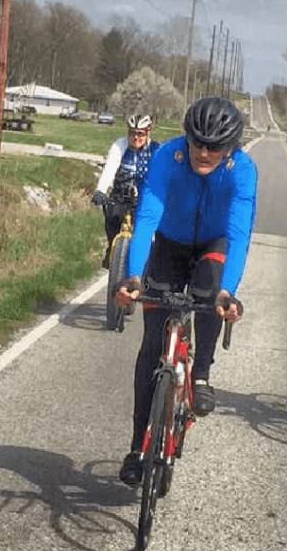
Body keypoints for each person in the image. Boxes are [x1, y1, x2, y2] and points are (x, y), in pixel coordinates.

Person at [114, 97, 257, 487]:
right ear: (187, 137)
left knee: (211, 294)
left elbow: (239, 234)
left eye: (215, 146)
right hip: (169, 244)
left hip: (214, 242)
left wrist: (228, 292)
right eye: (197, 142)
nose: (204, 152)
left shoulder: (242, 170)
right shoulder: (168, 156)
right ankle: (137, 449)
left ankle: (202, 373)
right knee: (151, 347)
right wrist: (133, 277)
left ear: (230, 147)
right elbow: (147, 216)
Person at [90, 114, 160, 266]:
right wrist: (101, 190)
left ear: (148, 132)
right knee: (112, 220)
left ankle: (150, 263)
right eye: (132, 133)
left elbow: (162, 176)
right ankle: (112, 250)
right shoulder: (119, 145)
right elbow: (110, 168)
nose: (136, 137)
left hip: (144, 196)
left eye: (140, 134)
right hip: (121, 194)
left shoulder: (156, 149)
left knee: (152, 232)